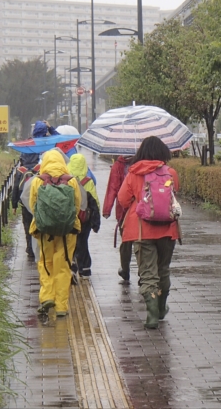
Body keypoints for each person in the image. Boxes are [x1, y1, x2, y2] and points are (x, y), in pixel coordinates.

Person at [117, 136, 180, 329]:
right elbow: (173, 195)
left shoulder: (134, 173)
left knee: (148, 273)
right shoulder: (170, 173)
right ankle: (161, 308)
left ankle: (152, 316)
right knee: (163, 269)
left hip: (141, 230)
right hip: (168, 229)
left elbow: (123, 200)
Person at [29, 149, 81, 318]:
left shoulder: (38, 181)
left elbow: (33, 205)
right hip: (68, 231)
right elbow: (77, 206)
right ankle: (61, 307)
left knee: (46, 263)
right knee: (63, 265)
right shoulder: (71, 181)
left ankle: (47, 297)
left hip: (45, 231)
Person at [11, 120, 57, 259]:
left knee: (27, 222)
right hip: (40, 196)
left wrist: (13, 205)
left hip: (24, 199)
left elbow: (15, 188)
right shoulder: (48, 147)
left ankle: (30, 249)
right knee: (40, 219)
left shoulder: (22, 167)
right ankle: (42, 245)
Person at [68, 153, 101, 279]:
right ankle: (85, 268)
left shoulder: (67, 180)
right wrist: (96, 222)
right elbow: (95, 202)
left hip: (71, 217)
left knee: (72, 241)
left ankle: (73, 264)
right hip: (85, 218)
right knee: (83, 241)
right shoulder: (88, 181)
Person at [103, 155, 133, 283]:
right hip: (141, 210)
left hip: (123, 211)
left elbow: (112, 188)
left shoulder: (117, 165)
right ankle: (144, 273)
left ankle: (125, 270)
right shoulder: (141, 163)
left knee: (126, 241)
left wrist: (107, 209)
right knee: (141, 242)